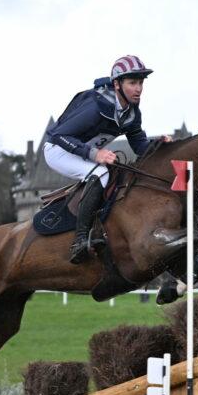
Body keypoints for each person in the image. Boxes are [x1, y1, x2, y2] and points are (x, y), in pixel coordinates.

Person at [44, 55, 164, 263]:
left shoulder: (132, 113)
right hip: (58, 149)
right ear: (117, 84)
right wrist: (94, 154)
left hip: (79, 151)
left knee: (117, 175)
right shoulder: (95, 106)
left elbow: (140, 147)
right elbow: (59, 136)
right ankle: (79, 241)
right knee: (101, 173)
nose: (138, 89)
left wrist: (160, 143)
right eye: (132, 83)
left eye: (141, 83)